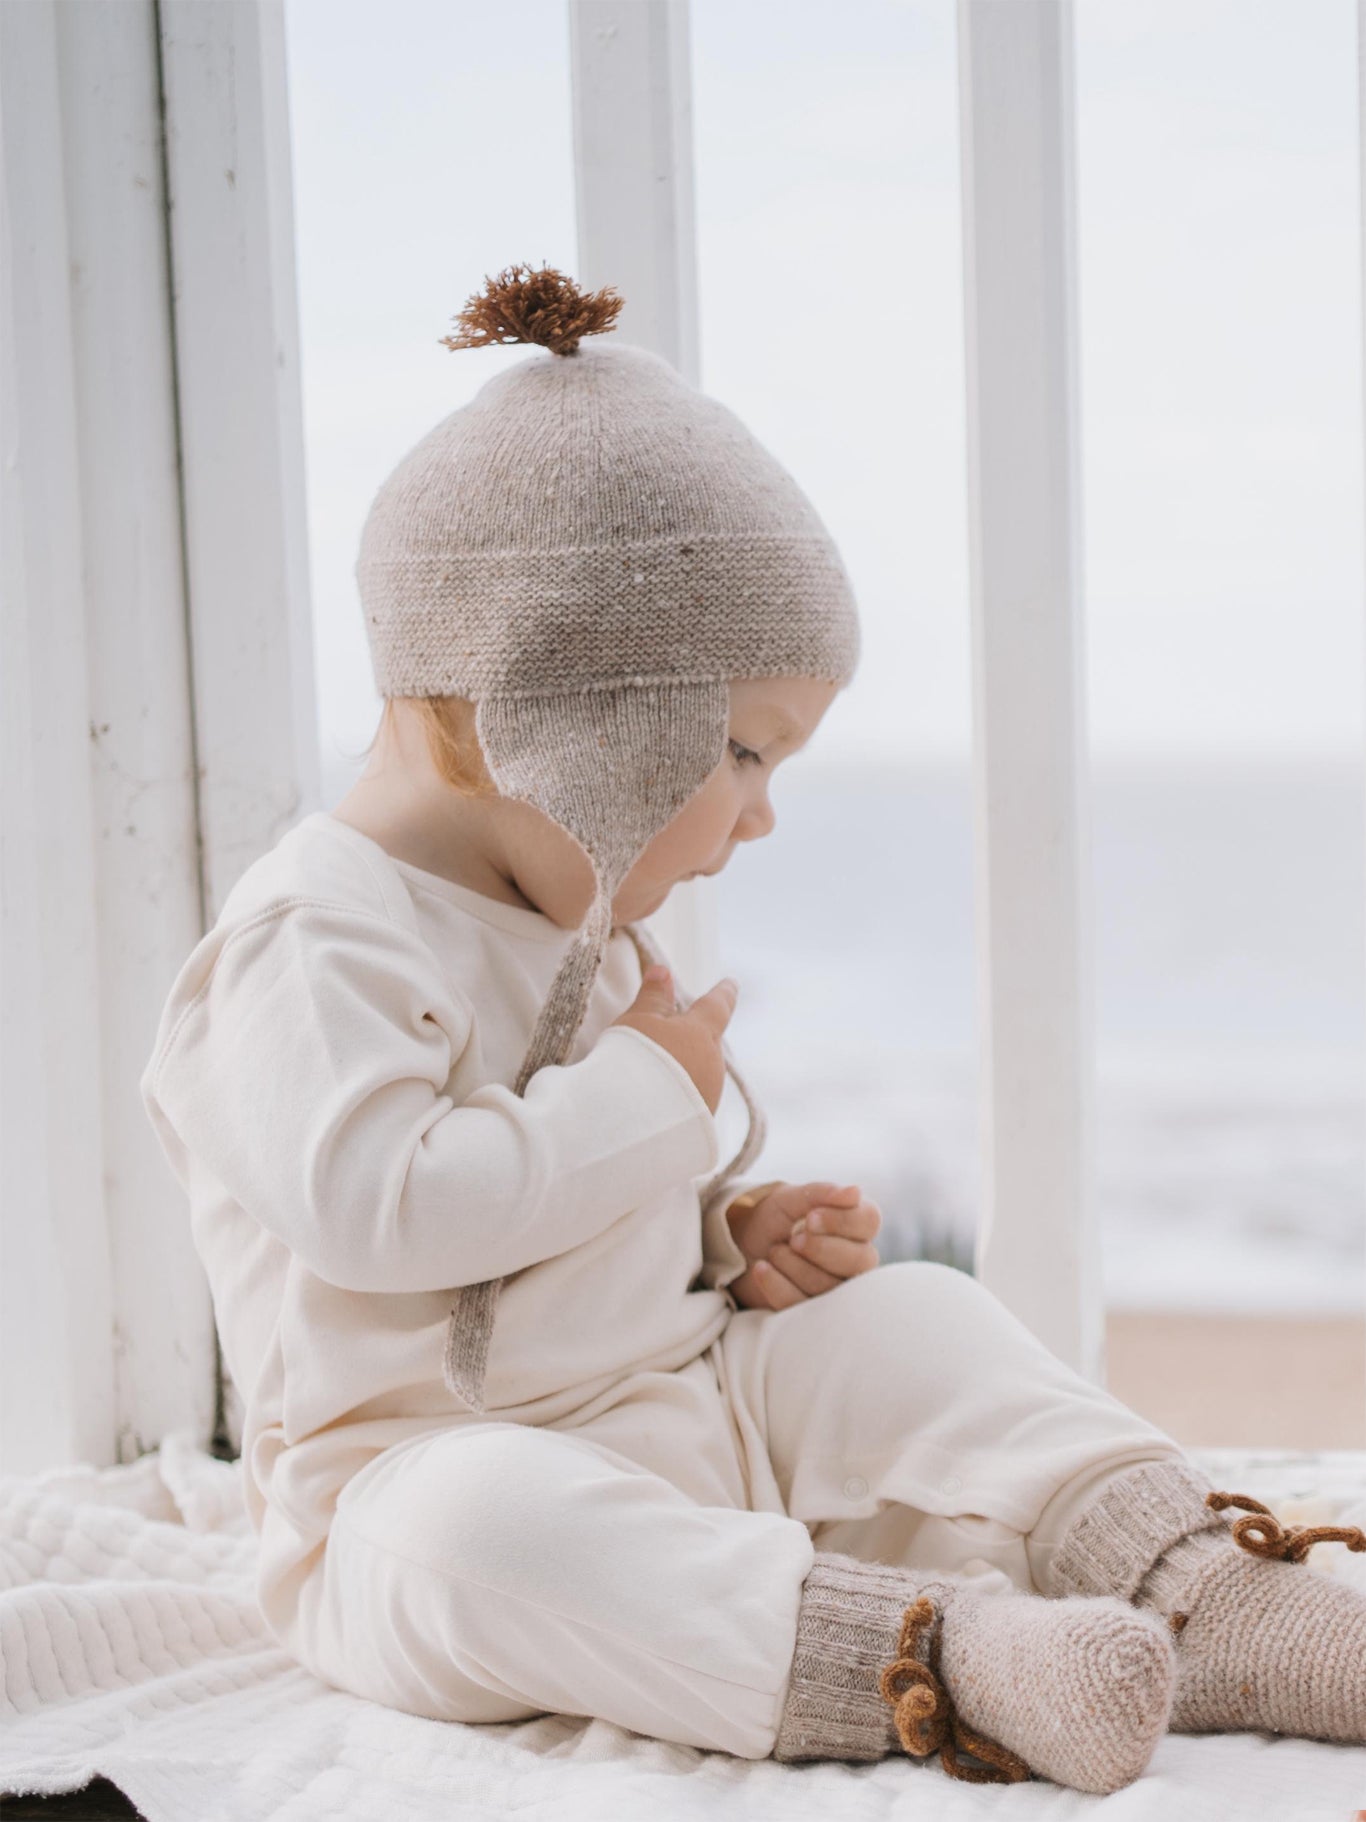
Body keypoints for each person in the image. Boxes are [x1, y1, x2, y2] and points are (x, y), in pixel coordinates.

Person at [140, 263, 1365, 1794]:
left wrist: (722, 1235)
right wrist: (649, 1097)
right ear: (571, 714)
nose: (761, 813)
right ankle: (939, 1659)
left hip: (692, 1414)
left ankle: (1197, 1587)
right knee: (468, 1535)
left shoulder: (571, 924)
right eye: (737, 752)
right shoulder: (305, 944)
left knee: (914, 1319)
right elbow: (382, 1210)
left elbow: (562, 1214)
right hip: (418, 1491)